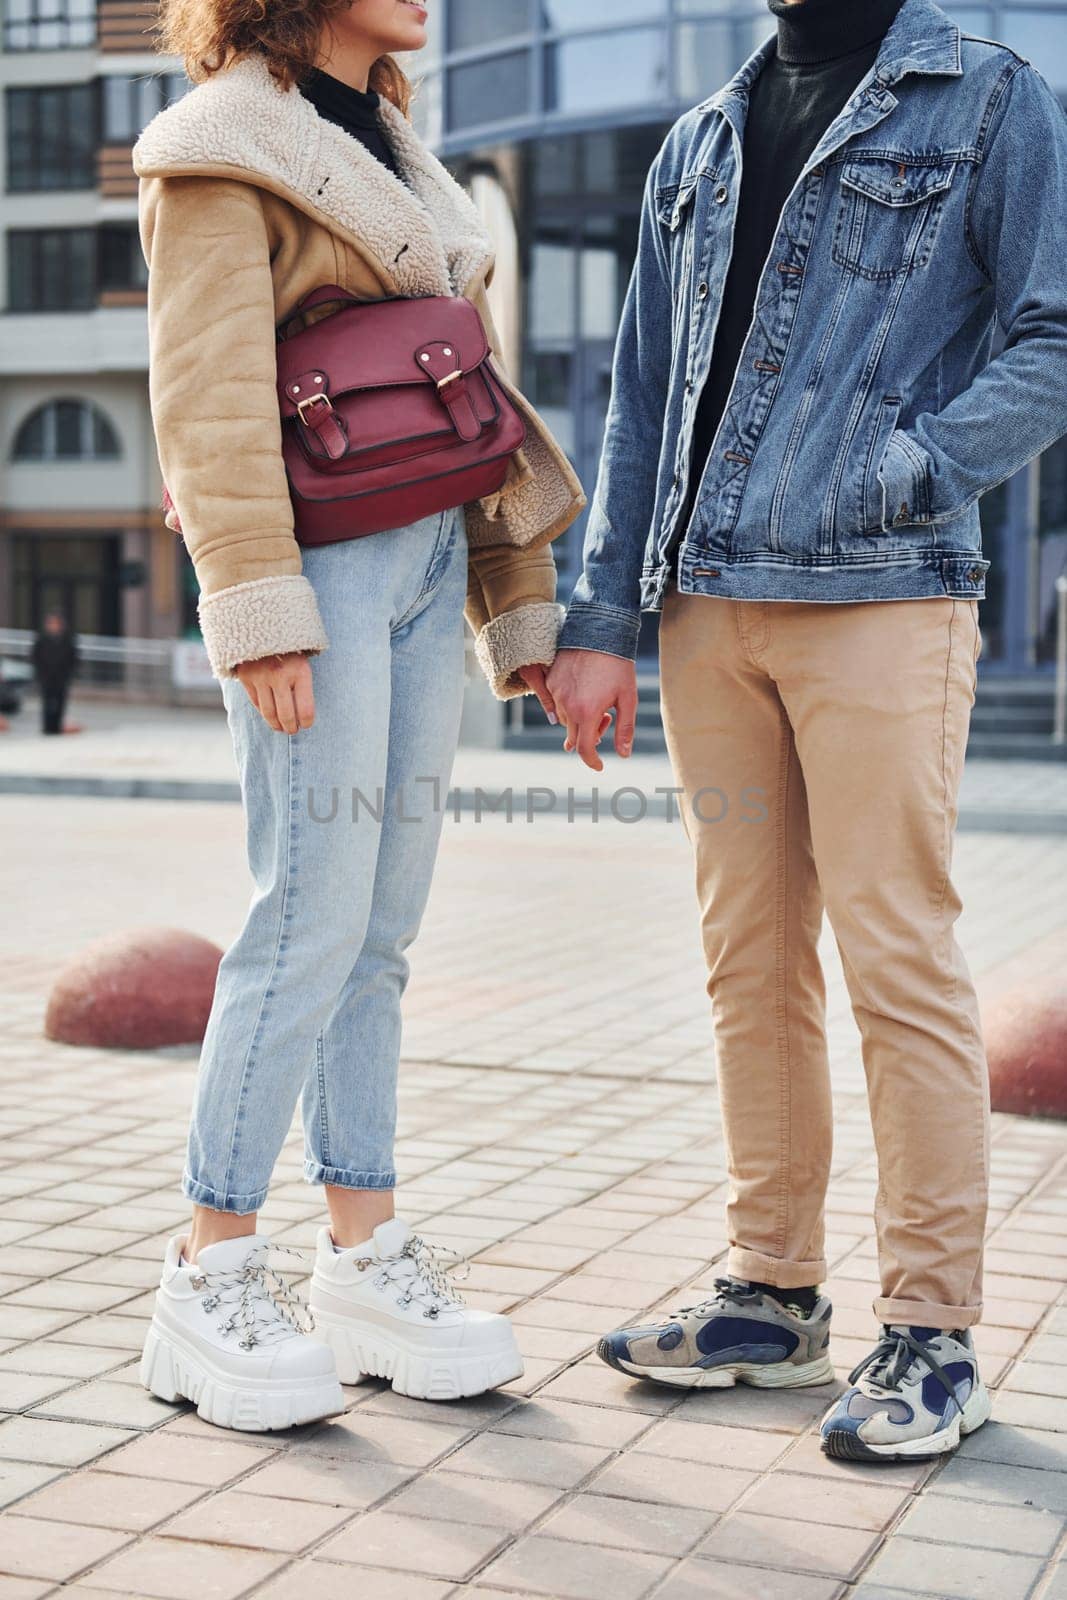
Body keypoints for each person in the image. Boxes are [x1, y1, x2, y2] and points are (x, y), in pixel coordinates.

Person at [549, 0, 1067, 1462]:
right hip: (707, 603)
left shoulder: (983, 98)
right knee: (746, 962)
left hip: (880, 594)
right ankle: (770, 1297)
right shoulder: (700, 138)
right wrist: (601, 617)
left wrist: (914, 468)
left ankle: (931, 1331)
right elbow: (639, 398)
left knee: (893, 954)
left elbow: (1052, 331)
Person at [133, 0, 584, 1432]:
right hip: (314, 566)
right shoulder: (216, 145)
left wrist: (516, 606)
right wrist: (253, 600)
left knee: (379, 930)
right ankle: (206, 1271)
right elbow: (203, 389)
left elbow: (476, 404)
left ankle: (362, 1254)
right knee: (306, 916)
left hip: (427, 556)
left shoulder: (400, 151)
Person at [31, 611, 79, 735]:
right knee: (46, 702)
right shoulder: (41, 639)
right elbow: (35, 657)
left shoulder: (68, 639)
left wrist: (68, 674)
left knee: (60, 702)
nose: (54, 626)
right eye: (51, 623)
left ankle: (57, 728)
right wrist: (40, 674)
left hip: (61, 677)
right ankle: (47, 728)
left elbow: (73, 659)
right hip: (46, 677)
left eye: (56, 623)